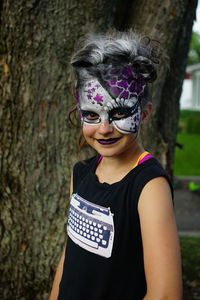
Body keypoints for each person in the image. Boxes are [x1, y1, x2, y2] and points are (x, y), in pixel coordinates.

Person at [50, 29, 182, 300]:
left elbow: (166, 294)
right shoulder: (82, 173)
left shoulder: (149, 186)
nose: (104, 128)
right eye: (91, 114)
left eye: (120, 112)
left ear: (144, 113)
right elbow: (70, 255)